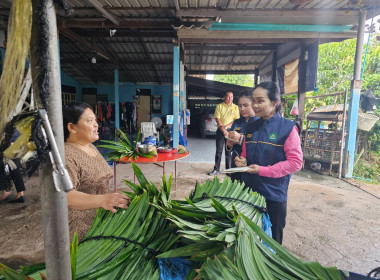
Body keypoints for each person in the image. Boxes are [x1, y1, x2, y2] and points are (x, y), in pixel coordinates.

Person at [235, 82, 303, 244]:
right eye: (254, 101)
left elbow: (295, 163)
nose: (255, 105)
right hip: (249, 192)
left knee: (272, 242)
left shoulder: (287, 128)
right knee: (248, 238)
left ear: (274, 103)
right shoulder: (250, 127)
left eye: (260, 101)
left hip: (273, 195)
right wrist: (241, 160)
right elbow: (244, 154)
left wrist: (262, 170)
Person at [63, 102, 130, 241]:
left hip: (100, 222)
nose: (96, 124)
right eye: (90, 121)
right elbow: (66, 197)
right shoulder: (67, 155)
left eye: (95, 120)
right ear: (72, 127)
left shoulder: (90, 146)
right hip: (81, 231)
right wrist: (103, 200)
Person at [225, 90, 257, 183]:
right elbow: (229, 147)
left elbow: (259, 144)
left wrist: (241, 138)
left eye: (246, 105)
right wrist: (229, 145)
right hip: (235, 164)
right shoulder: (236, 122)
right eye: (239, 105)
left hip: (251, 165)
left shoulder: (259, 123)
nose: (242, 108)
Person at [208, 91, 240, 176]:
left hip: (231, 132)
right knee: (218, 151)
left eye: (232, 97)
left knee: (228, 152)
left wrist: (227, 127)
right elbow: (217, 119)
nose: (230, 99)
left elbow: (235, 120)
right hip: (220, 131)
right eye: (228, 97)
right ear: (224, 97)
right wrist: (223, 130)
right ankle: (216, 169)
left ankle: (228, 170)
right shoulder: (219, 106)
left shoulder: (236, 107)